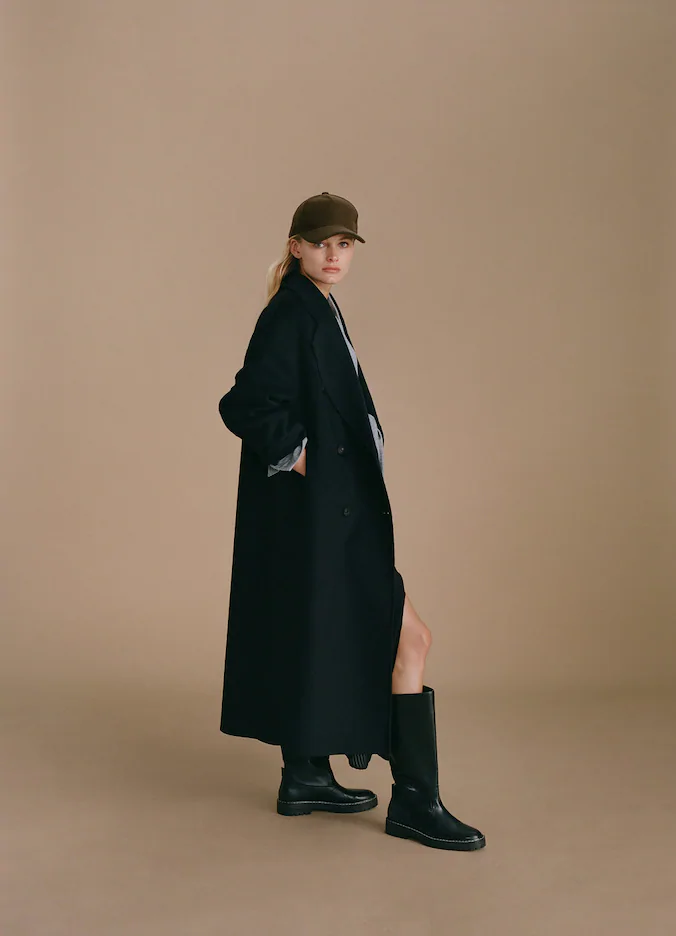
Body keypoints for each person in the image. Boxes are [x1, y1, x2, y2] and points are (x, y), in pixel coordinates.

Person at [217, 192, 485, 851]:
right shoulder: (291, 313)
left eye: (344, 245)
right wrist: (309, 461)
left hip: (335, 517)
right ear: (296, 247)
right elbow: (245, 403)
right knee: (409, 639)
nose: (333, 255)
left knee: (317, 634)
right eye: (321, 243)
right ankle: (416, 802)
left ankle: (306, 776)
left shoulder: (316, 306)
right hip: (327, 517)